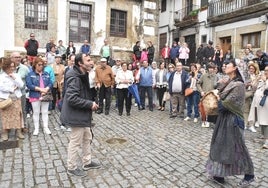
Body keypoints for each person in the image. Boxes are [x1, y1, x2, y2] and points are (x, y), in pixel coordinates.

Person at [206, 59, 255, 187]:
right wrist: (219, 86)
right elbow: (219, 92)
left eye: (228, 65)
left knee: (238, 148)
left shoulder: (238, 85)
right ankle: (219, 175)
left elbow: (226, 104)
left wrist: (216, 97)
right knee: (220, 145)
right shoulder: (229, 82)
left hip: (233, 121)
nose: (225, 66)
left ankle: (249, 175)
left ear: (235, 68)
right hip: (224, 119)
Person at [60, 53, 100, 177]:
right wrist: (89, 104)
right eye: (88, 60)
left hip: (82, 114)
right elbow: (72, 98)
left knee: (87, 138)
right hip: (75, 115)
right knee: (75, 141)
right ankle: (71, 167)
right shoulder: (74, 77)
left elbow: (84, 92)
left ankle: (86, 162)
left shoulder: (83, 73)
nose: (91, 62)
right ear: (80, 64)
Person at [26, 57, 53, 135]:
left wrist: (47, 89)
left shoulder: (46, 73)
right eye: (39, 65)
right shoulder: (30, 74)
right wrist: (40, 89)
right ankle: (36, 128)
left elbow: (50, 82)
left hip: (45, 94)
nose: (41, 66)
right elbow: (29, 85)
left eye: (42, 65)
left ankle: (45, 127)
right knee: (36, 112)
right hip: (35, 95)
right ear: (35, 65)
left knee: (45, 112)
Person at [0, 58, 25, 141]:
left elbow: (21, 85)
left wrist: (14, 78)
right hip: (5, 99)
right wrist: (12, 89)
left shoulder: (16, 75)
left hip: (16, 98)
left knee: (17, 116)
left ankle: (18, 132)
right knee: (6, 117)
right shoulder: (2, 76)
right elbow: (1, 87)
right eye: (10, 67)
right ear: (5, 67)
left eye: (13, 66)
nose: (12, 68)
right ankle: (5, 133)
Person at [248, 66, 268, 149]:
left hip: (266, 104)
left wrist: (264, 80)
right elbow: (254, 86)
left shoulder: (265, 81)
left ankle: (267, 141)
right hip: (260, 104)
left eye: (267, 70)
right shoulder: (262, 79)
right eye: (265, 70)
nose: (266, 72)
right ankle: (263, 136)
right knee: (261, 121)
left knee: (266, 121)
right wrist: (257, 79)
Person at [11, 52, 30, 129]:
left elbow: (28, 81)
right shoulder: (7, 68)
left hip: (21, 93)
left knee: (22, 110)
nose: (18, 58)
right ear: (11, 58)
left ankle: (23, 125)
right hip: (10, 94)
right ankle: (11, 126)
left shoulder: (25, 68)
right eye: (16, 57)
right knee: (10, 110)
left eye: (19, 57)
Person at [197, 63, 217, 127]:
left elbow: (218, 86)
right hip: (204, 94)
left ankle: (209, 121)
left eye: (212, 68)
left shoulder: (216, 77)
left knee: (211, 109)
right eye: (210, 68)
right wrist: (201, 91)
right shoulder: (204, 76)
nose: (211, 70)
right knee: (203, 108)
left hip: (212, 95)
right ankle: (204, 121)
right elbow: (198, 83)